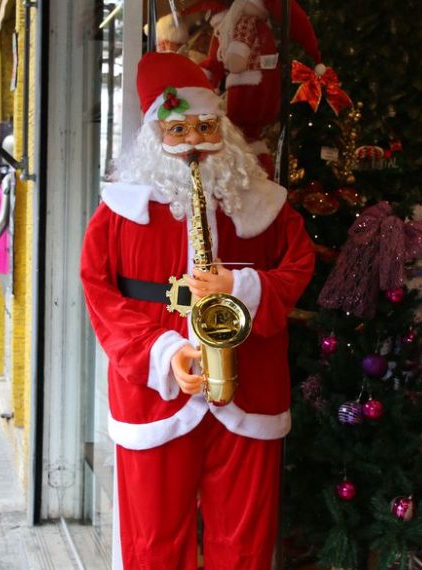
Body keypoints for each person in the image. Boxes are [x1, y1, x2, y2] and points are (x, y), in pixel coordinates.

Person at [79, 52, 315, 568]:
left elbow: (298, 265)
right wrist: (161, 353)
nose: (193, 142)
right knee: (152, 541)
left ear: (223, 129)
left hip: (248, 384)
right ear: (153, 135)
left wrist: (242, 286)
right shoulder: (117, 210)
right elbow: (101, 293)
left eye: (205, 126)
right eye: (178, 129)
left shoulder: (264, 203)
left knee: (246, 542)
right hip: (155, 393)